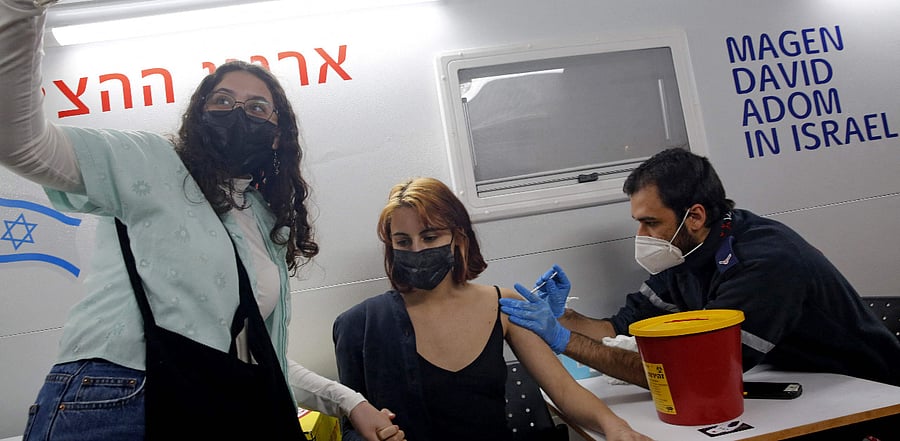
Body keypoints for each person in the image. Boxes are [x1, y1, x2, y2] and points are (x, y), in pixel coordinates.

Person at [0, 2, 404, 440]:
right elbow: (21, 143)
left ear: (277, 136)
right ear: (199, 114)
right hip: (113, 395)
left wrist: (350, 402)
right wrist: (20, 8)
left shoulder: (261, 219)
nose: (238, 112)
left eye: (257, 107)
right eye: (223, 100)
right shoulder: (149, 160)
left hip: (202, 404)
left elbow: (255, 356)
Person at [500, 147, 900, 388]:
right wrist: (562, 318)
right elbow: (620, 328)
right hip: (796, 383)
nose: (642, 235)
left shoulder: (765, 262)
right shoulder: (683, 253)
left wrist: (564, 341)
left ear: (694, 216)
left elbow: (697, 373)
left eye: (651, 222)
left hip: (867, 393)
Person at [333, 177, 652, 441]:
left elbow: (565, 391)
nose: (417, 250)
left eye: (430, 237)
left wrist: (616, 427)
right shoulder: (361, 324)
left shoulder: (503, 305)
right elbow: (350, 425)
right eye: (403, 242)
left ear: (458, 239)